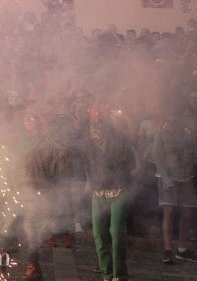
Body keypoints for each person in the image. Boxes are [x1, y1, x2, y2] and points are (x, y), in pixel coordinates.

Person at [84, 106, 136, 281]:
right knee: (99, 233)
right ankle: (107, 274)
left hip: (119, 191)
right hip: (98, 194)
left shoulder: (120, 141)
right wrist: (90, 181)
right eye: (92, 125)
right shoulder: (88, 145)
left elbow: (129, 165)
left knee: (116, 232)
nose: (95, 130)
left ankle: (120, 275)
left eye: (98, 125)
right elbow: (88, 166)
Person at [152, 107, 197, 264]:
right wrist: (167, 179)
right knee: (168, 212)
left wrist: (194, 133)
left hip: (186, 178)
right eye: (172, 113)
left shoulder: (189, 134)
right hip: (168, 178)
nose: (175, 116)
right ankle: (167, 250)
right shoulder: (161, 133)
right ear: (168, 115)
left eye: (178, 113)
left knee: (187, 214)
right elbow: (157, 157)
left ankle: (182, 249)